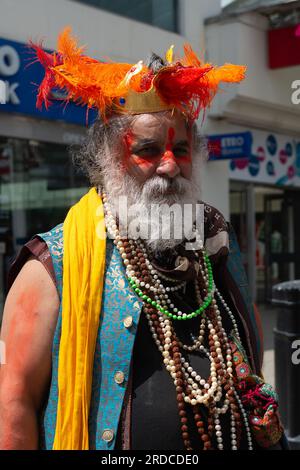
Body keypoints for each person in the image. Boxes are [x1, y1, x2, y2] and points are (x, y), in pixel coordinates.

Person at [0, 28, 285, 450]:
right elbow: (13, 403)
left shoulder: (215, 241)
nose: (169, 167)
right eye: (149, 151)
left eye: (181, 150)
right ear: (111, 160)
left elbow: (248, 352)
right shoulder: (51, 264)